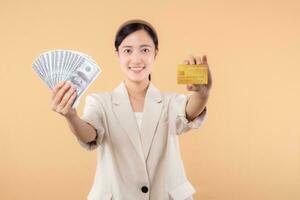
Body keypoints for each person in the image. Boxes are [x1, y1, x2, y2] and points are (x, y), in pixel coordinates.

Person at [49, 19, 212, 200]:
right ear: (117, 54)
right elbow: (90, 135)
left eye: (145, 50)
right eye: (127, 50)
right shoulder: (99, 102)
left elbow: (189, 111)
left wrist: (203, 93)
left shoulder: (170, 101)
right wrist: (71, 116)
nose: (136, 59)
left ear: (155, 54)